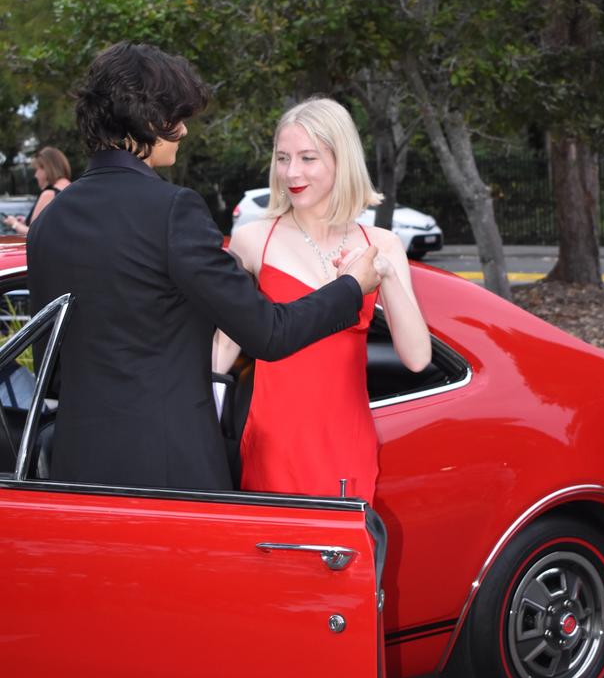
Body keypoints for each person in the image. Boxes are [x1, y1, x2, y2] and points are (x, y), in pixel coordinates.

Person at [27, 42, 380, 492]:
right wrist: (352, 286)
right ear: (151, 121)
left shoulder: (48, 221)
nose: (184, 132)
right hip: (171, 470)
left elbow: (51, 369)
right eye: (178, 117)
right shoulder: (172, 211)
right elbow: (268, 333)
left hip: (74, 469)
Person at [214, 97, 431, 502]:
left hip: (346, 446)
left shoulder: (381, 244)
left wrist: (383, 274)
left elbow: (417, 357)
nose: (291, 172)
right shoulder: (253, 240)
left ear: (341, 160)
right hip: (272, 445)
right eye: (282, 158)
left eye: (307, 158)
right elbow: (224, 347)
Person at [5, 147, 72, 235]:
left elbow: (33, 234)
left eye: (37, 170)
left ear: (46, 169)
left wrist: (14, 224)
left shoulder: (49, 194)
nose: (36, 175)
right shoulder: (73, 189)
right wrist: (25, 221)